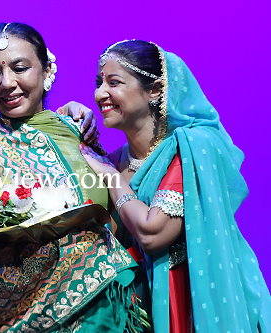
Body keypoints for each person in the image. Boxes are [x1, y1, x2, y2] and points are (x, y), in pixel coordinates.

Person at [0, 23, 147, 333]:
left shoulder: (74, 129)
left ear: (46, 71)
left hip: (108, 307)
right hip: (36, 321)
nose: (7, 83)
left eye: (20, 68)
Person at [80, 39, 270, 332]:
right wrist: (69, 122)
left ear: (154, 90)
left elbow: (153, 232)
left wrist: (109, 176)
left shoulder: (192, 146)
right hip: (139, 313)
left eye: (113, 82)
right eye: (98, 82)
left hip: (191, 304)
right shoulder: (115, 161)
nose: (99, 93)